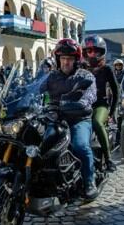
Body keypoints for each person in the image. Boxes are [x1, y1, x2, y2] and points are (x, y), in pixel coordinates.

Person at [41, 38, 99, 199]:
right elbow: (36, 88)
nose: (66, 62)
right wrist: (18, 94)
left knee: (80, 146)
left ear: (76, 60)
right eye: (63, 58)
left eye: (70, 59)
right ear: (58, 59)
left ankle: (89, 181)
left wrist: (82, 102)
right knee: (39, 143)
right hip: (55, 118)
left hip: (79, 118)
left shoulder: (85, 76)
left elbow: (91, 93)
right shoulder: (51, 77)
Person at [83, 36, 119, 172]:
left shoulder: (107, 69)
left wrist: (112, 111)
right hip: (83, 106)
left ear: (101, 52)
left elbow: (116, 91)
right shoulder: (81, 68)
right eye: (89, 51)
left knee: (97, 123)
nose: (92, 54)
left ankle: (109, 159)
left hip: (100, 105)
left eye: (95, 51)